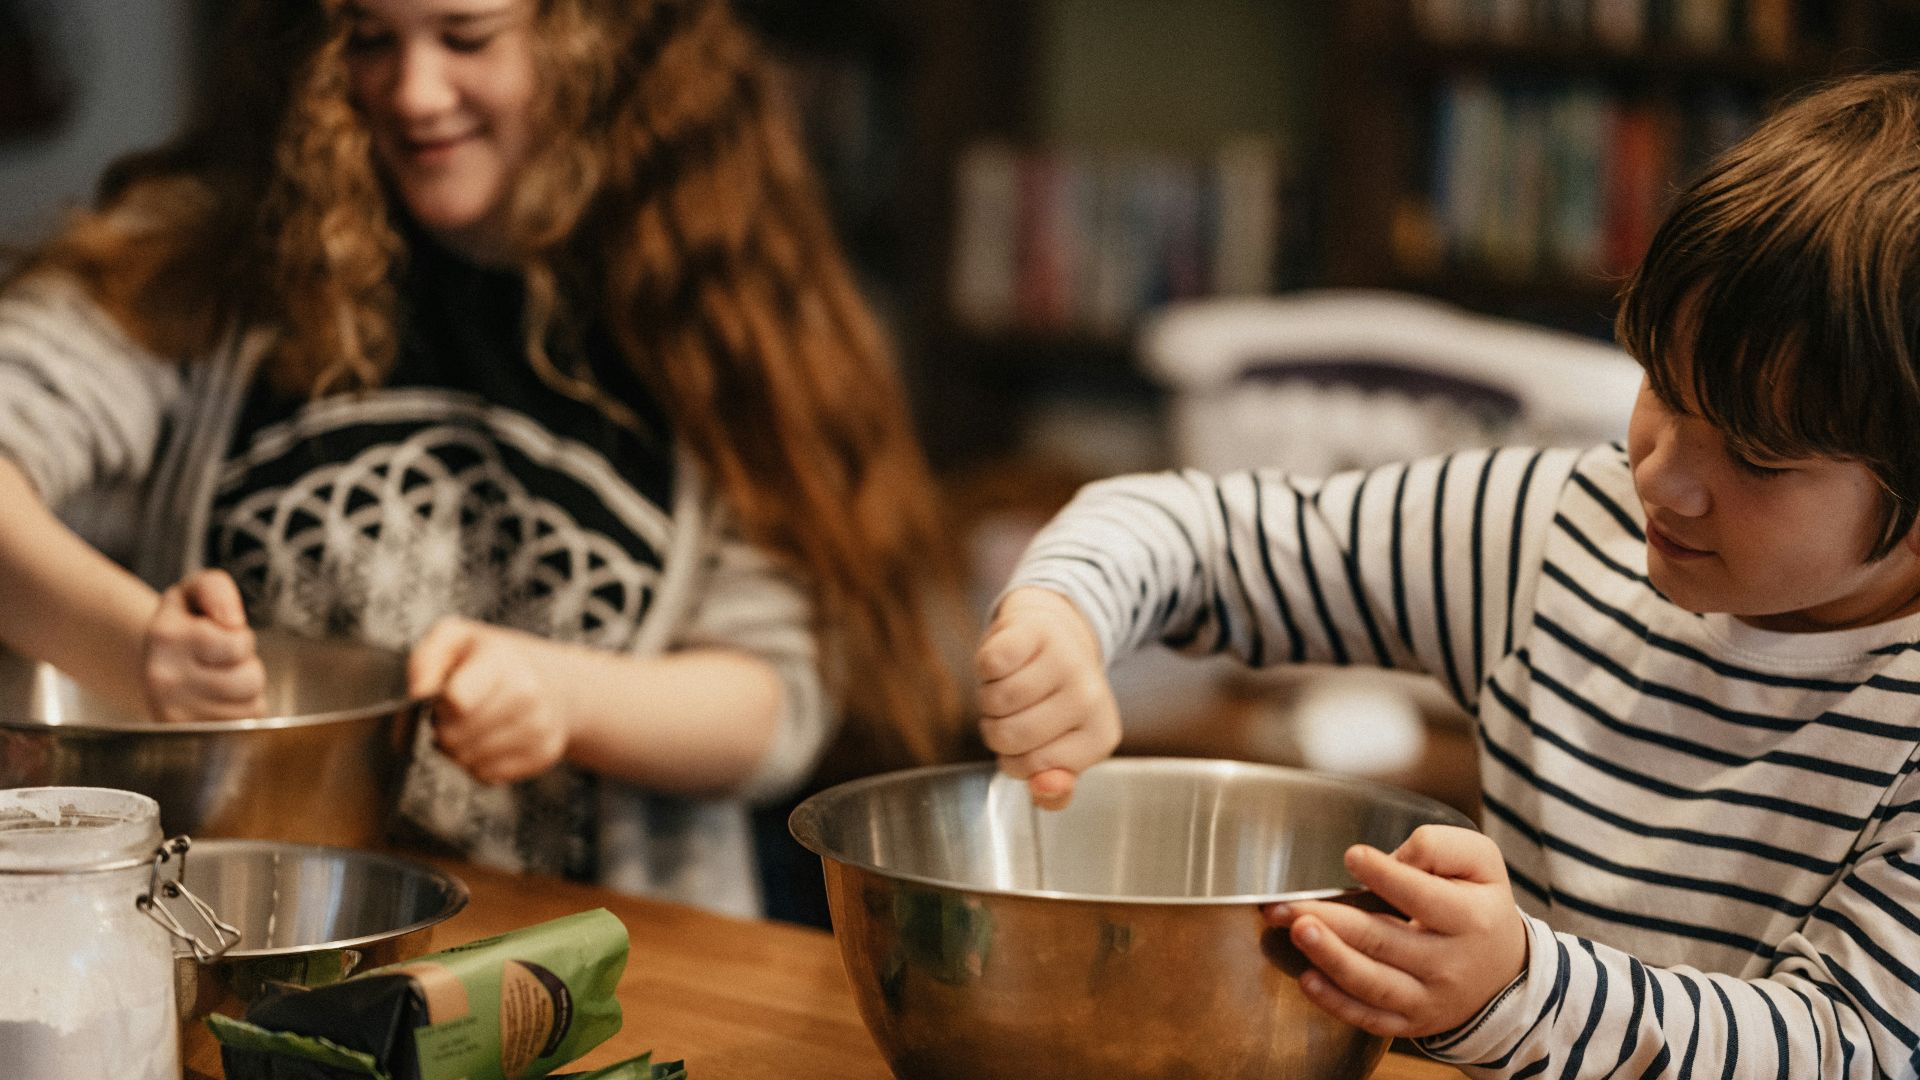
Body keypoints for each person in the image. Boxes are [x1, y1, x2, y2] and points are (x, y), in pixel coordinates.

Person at [975, 71, 1920, 1077]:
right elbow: (1200, 532)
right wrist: (1066, 611)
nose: (1664, 475)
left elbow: (1851, 1049)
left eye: (1758, 457)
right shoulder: (1558, 530)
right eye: (1665, 389)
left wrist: (1521, 990)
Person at [0, 0, 964, 918]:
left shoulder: (712, 307)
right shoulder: (208, 259)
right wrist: (136, 649)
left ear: (595, 38)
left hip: (595, 968)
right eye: (372, 39)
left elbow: (774, 703)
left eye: (467, 36)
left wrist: (566, 696)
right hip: (226, 931)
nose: (413, 92)